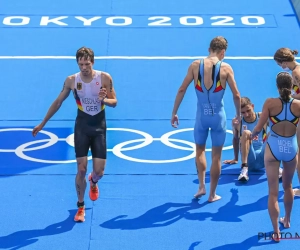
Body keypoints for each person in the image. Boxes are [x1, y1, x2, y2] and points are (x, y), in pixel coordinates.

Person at [32, 47, 117, 222]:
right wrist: (43, 123)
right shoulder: (72, 81)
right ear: (77, 63)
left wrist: (104, 100)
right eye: (81, 64)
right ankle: (80, 206)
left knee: (99, 171)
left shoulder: (104, 78)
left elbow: (114, 102)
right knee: (81, 168)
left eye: (87, 64)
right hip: (82, 126)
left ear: (93, 62)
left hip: (99, 126)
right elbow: (58, 102)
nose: (84, 67)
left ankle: (93, 181)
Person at [171, 36, 241, 202]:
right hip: (218, 117)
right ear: (222, 52)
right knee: (216, 156)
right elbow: (236, 95)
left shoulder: (196, 65)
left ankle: (201, 186)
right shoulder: (226, 68)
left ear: (209, 49)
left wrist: (174, 112)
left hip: (202, 116)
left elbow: (182, 89)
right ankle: (212, 194)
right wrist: (238, 116)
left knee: (199, 150)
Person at [251, 72, 300, 241]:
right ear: (291, 85)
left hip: (273, 148)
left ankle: (276, 232)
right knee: (288, 186)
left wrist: (252, 135)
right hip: (291, 148)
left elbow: (259, 126)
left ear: (277, 87)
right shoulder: (299, 105)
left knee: (273, 192)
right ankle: (287, 220)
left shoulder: (270, 103)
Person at [223, 97, 283, 181]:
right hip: (249, 159)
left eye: (248, 110)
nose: (246, 114)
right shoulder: (237, 122)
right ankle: (244, 169)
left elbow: (278, 131)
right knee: (246, 132)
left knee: (272, 133)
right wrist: (236, 158)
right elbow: (236, 140)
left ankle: (276, 167)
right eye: (243, 112)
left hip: (264, 158)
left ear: (253, 106)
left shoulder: (262, 117)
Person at [274, 48, 300, 196]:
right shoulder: (297, 69)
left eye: (279, 64)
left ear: (283, 62)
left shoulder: (296, 73)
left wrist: (288, 98)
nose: (279, 67)